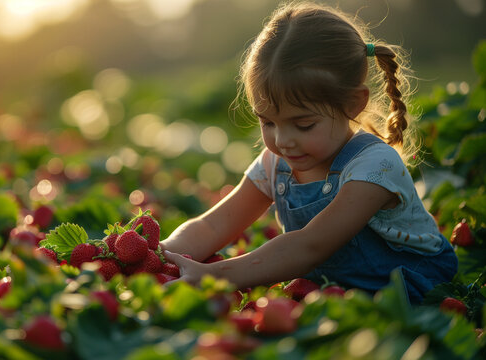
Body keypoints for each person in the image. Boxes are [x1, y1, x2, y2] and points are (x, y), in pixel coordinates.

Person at [161, 1, 457, 304]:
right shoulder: (276, 164)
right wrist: (161, 255)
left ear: (352, 104)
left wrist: (215, 276)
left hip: (412, 293)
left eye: (303, 125)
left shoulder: (375, 165)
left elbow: (310, 246)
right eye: (268, 122)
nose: (283, 140)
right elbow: (213, 225)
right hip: (337, 294)